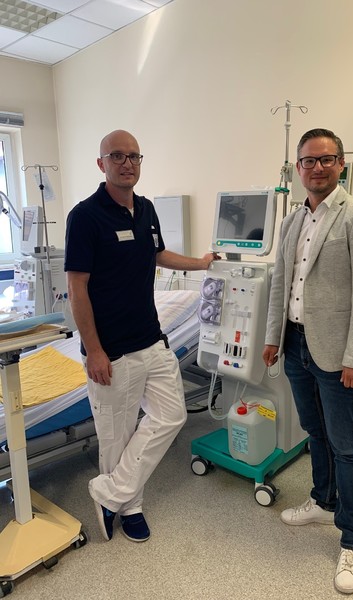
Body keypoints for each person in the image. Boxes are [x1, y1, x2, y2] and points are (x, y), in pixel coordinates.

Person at [65, 129, 219, 543]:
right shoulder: (85, 216)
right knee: (116, 437)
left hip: (152, 339)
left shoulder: (146, 208)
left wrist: (201, 263)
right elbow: (77, 286)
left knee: (172, 414)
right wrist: (94, 350)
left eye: (134, 156)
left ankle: (109, 491)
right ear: (102, 164)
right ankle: (130, 507)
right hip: (111, 350)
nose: (127, 162)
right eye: (117, 156)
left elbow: (157, 254)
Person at [263, 128, 353, 594]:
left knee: (347, 445)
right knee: (314, 432)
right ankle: (322, 499)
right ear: (298, 169)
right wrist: (273, 337)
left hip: (339, 356)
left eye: (327, 159)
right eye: (308, 161)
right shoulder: (292, 222)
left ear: (341, 165)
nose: (317, 168)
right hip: (295, 345)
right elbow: (281, 283)